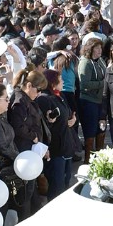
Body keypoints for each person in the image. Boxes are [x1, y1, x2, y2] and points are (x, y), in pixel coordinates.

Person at [8, 66, 49, 218]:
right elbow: (18, 126)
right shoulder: (19, 101)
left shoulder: (26, 99)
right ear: (29, 85)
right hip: (24, 151)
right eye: (38, 90)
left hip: (31, 150)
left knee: (32, 189)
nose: (39, 94)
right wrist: (34, 136)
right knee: (26, 191)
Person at [37, 70, 77, 201]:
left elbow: (68, 113)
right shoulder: (44, 99)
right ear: (53, 83)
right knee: (56, 186)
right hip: (55, 149)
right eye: (61, 80)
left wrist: (72, 120)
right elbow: (45, 125)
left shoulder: (60, 95)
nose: (63, 82)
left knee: (66, 181)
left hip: (65, 145)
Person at [78, 38, 107, 163]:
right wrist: (102, 83)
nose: (100, 50)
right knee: (90, 133)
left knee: (101, 130)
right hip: (88, 102)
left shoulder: (100, 61)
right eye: (97, 48)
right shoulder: (85, 63)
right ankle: (87, 161)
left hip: (100, 101)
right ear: (90, 49)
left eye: (101, 47)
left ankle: (99, 160)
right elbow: (84, 84)